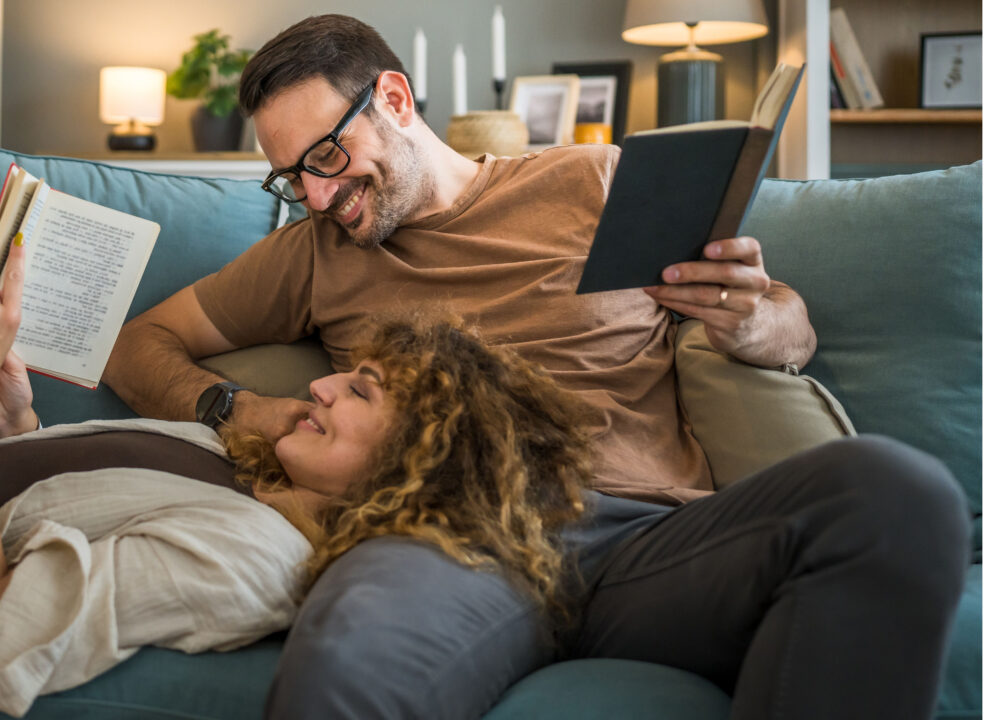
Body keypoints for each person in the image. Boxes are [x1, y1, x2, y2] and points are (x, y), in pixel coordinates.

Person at [102, 14, 971, 720]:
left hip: (646, 538)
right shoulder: (314, 252)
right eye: (292, 179)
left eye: (325, 157)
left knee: (896, 492)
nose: (320, 195)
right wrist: (230, 407)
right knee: (347, 660)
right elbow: (135, 341)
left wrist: (758, 324)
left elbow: (790, 328)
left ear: (395, 99)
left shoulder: (593, 181)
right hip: (450, 545)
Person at [0, 237, 598, 715]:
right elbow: (53, 501)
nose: (321, 382)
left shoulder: (244, 564)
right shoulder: (264, 480)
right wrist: (16, 419)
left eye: (360, 391)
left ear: (416, 466)